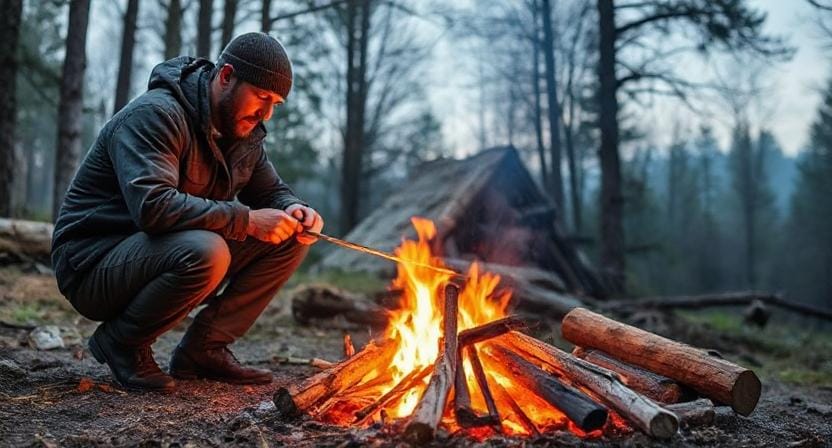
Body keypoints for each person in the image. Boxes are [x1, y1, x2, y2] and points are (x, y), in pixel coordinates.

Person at [50, 33, 323, 393]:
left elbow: (271, 190)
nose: (266, 113)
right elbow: (154, 207)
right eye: (261, 97)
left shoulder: (243, 131)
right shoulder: (157, 114)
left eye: (276, 103)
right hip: (92, 263)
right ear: (226, 76)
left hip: (157, 250)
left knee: (289, 239)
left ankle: (204, 349)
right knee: (208, 251)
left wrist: (295, 209)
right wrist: (247, 221)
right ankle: (122, 342)